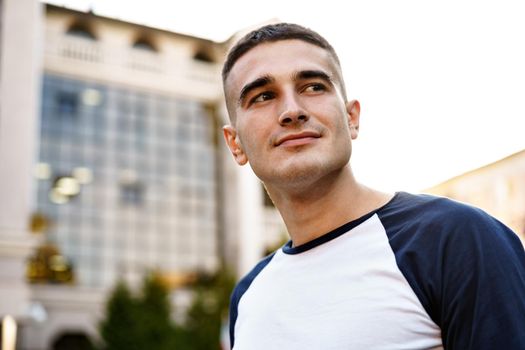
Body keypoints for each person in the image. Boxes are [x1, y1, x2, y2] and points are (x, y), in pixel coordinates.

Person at [221, 23, 525, 350]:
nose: (292, 111)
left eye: (313, 87)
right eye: (263, 96)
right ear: (235, 143)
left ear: (352, 117)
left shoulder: (455, 238)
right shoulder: (248, 295)